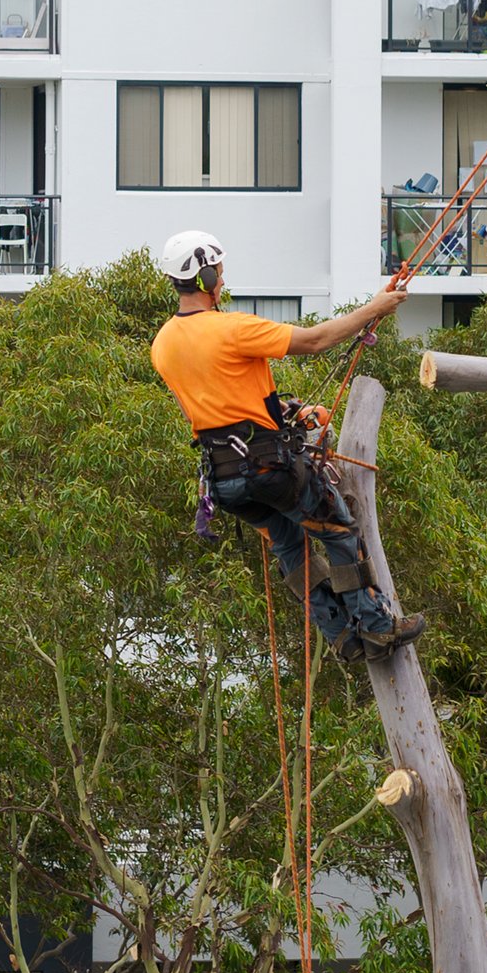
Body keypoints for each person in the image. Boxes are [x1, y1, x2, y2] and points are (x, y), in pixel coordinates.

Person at [150, 229, 425, 663]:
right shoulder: (232, 328)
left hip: (223, 480)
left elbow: (222, 402)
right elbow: (315, 340)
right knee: (338, 528)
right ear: (204, 277)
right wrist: (376, 307)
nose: (222, 280)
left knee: (291, 547)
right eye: (218, 273)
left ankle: (342, 636)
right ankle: (375, 627)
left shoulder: (163, 343)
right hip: (267, 468)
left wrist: (288, 410)